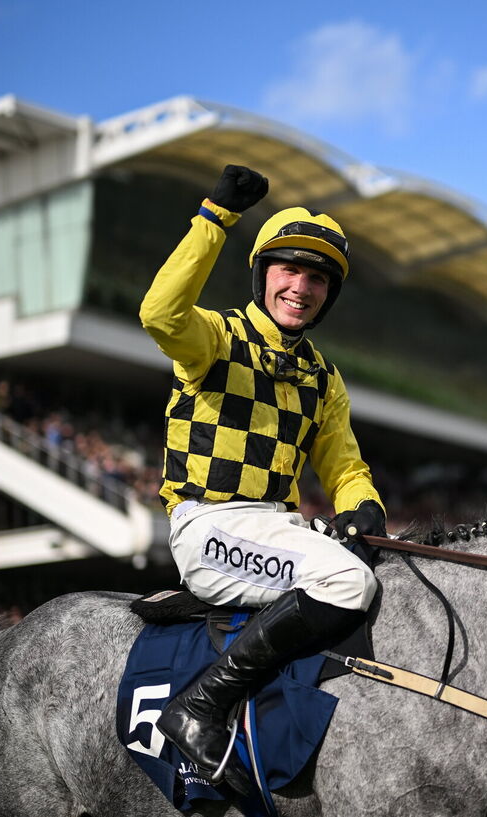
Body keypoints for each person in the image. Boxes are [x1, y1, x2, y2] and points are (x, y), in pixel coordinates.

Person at [139, 165, 387, 793]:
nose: (301, 287)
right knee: (346, 580)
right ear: (262, 273)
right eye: (289, 269)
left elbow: (344, 465)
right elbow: (160, 314)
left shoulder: (324, 378)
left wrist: (364, 506)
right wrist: (215, 217)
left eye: (317, 278)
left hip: (276, 527)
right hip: (208, 526)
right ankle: (200, 705)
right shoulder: (215, 337)